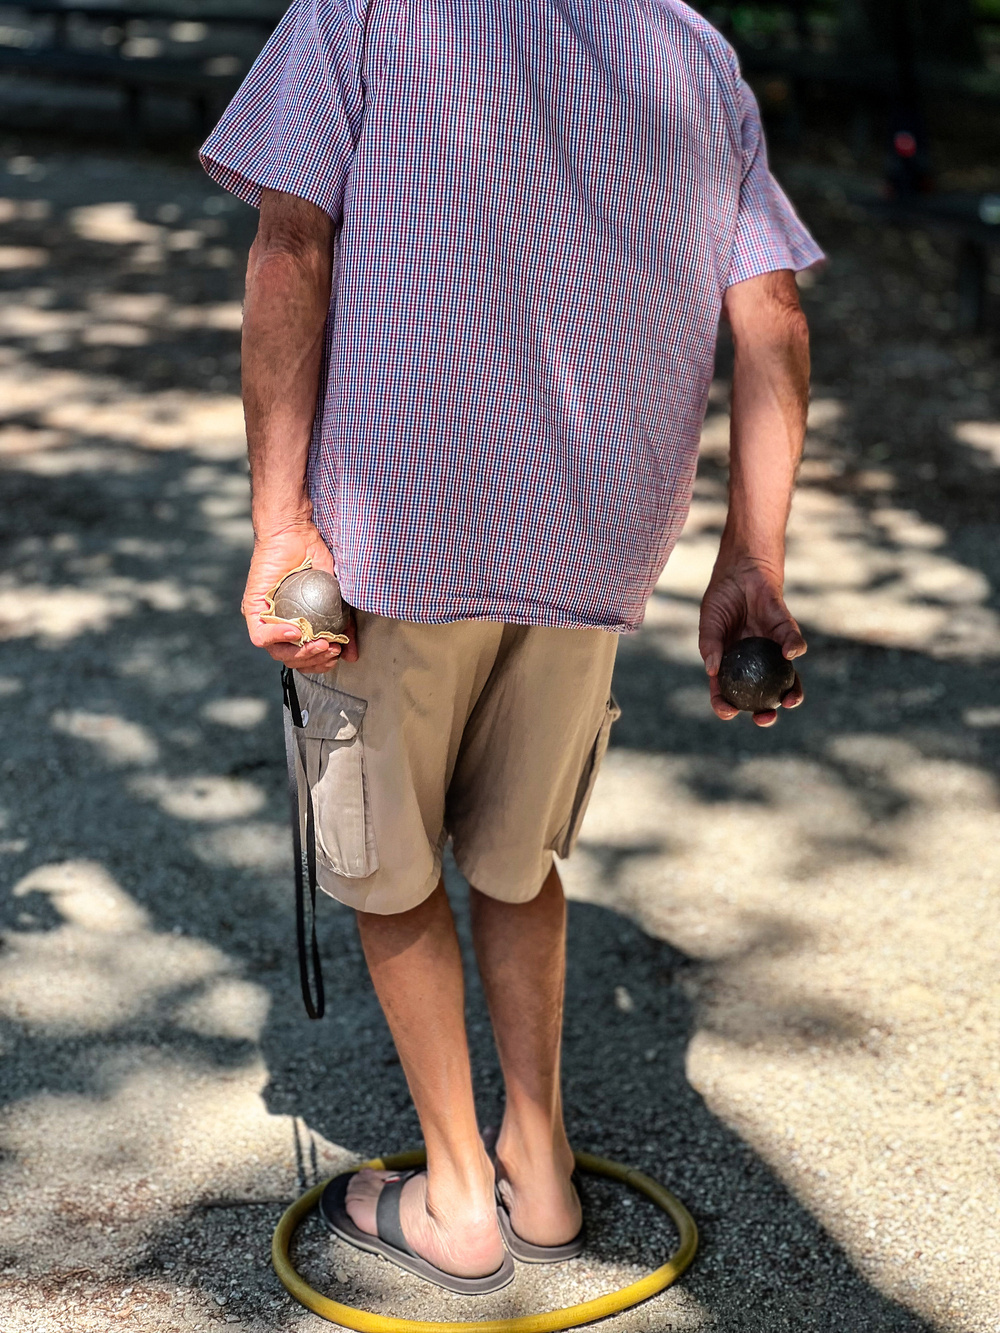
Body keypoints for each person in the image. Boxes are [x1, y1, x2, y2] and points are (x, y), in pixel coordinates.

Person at [200, 0, 823, 1293]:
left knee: (387, 865)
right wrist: (752, 554)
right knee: (514, 848)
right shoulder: (692, 50)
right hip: (591, 543)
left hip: (395, 529)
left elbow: (290, 249)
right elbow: (769, 314)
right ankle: (539, 1164)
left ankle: (460, 1197)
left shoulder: (366, 8)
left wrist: (277, 524)